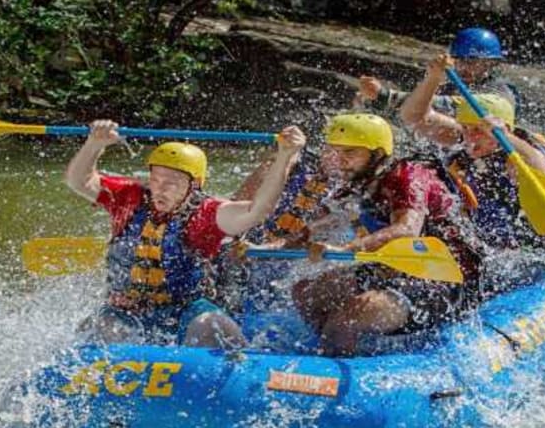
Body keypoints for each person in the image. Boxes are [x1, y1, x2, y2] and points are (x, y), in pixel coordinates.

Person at [64, 120, 306, 347]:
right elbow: (79, 181)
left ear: (195, 184)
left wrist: (284, 157)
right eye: (156, 178)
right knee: (97, 326)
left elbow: (258, 211)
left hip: (186, 311)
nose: (161, 188)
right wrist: (94, 145)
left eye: (172, 182)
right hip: (127, 310)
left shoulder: (207, 214)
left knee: (211, 325)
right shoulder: (128, 198)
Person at [288, 113, 481, 355]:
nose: (339, 160)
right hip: (394, 270)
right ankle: (330, 352)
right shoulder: (355, 182)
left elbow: (406, 230)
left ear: (377, 155)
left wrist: (346, 249)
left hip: (443, 280)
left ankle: (334, 364)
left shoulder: (408, 175)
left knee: (346, 317)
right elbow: (309, 230)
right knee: (306, 293)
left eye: (350, 153)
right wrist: (265, 248)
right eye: (334, 151)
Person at [400, 55, 545, 295]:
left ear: (504, 130)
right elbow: (414, 118)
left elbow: (537, 167)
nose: (469, 137)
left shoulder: (518, 153)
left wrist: (501, 136)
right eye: (465, 128)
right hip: (485, 247)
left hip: (529, 254)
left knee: (488, 276)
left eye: (478, 131)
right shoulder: (463, 142)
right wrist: (433, 79)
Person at [355, 27, 519, 125]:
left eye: (474, 63)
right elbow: (410, 114)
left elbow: (454, 105)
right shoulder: (448, 85)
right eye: (460, 61)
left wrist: (385, 96)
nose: (464, 68)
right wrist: (373, 105)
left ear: (490, 65)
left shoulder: (499, 91)